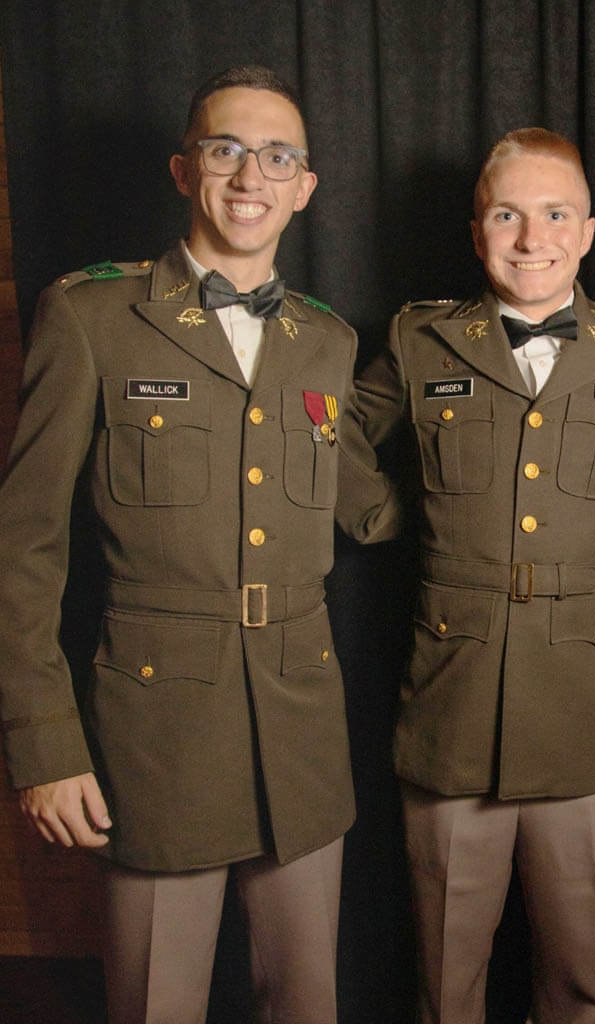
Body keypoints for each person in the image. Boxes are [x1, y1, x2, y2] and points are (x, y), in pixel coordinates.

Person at [0, 65, 396, 1023]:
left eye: (277, 156)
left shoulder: (326, 342)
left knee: (307, 1004)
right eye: (226, 149)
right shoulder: (93, 317)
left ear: (305, 187)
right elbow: (23, 547)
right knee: (155, 1004)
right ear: (186, 170)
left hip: (301, 729)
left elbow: (371, 507)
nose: (250, 174)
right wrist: (43, 744)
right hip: (156, 733)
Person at [350, 128, 595, 1023]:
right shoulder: (423, 342)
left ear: (590, 230)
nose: (534, 238)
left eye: (556, 214)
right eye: (508, 214)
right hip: (452, 704)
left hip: (581, 703)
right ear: (478, 228)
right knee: (446, 981)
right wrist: (395, 519)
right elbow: (316, 426)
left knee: (575, 979)